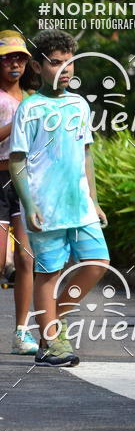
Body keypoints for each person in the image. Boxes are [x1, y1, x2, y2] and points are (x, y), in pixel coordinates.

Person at [9, 30, 110, 367]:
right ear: (36, 67)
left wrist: (93, 200)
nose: (65, 69)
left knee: (98, 263)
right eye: (56, 63)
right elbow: (17, 160)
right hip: (44, 206)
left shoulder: (79, 104)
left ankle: (52, 324)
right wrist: (30, 205)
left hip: (79, 204)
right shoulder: (30, 108)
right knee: (48, 274)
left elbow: (87, 154)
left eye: (70, 62)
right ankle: (51, 341)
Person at [0, 31, 37, 355]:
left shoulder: (31, 100)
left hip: (22, 183)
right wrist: (18, 122)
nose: (15, 63)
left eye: (20, 57)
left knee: (27, 258)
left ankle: (21, 332)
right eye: (8, 57)